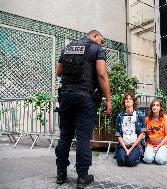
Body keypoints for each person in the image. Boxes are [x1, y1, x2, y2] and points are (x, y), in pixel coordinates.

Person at [55, 30, 112, 188]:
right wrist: (109, 99)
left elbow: (59, 72)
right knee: (83, 138)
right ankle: (82, 177)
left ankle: (61, 173)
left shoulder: (67, 47)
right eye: (102, 39)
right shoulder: (97, 49)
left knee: (65, 136)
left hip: (65, 96)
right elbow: (101, 74)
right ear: (94, 36)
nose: (102, 43)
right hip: (85, 98)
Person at [115, 92, 146, 167]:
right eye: (126, 99)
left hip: (135, 145)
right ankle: (122, 154)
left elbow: (142, 134)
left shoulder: (139, 115)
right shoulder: (119, 116)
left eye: (130, 99)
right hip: (124, 144)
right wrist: (126, 149)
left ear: (133, 102)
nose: (128, 100)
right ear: (124, 102)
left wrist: (131, 148)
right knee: (121, 162)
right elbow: (118, 134)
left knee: (130, 162)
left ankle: (138, 156)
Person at [143, 99, 167, 165]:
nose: (155, 107)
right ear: (151, 107)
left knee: (159, 160)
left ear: (160, 108)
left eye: (157, 105)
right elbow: (144, 134)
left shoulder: (165, 118)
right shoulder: (147, 119)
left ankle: (163, 153)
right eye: (153, 105)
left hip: (163, 144)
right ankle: (155, 153)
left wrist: (158, 147)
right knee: (148, 160)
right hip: (150, 144)